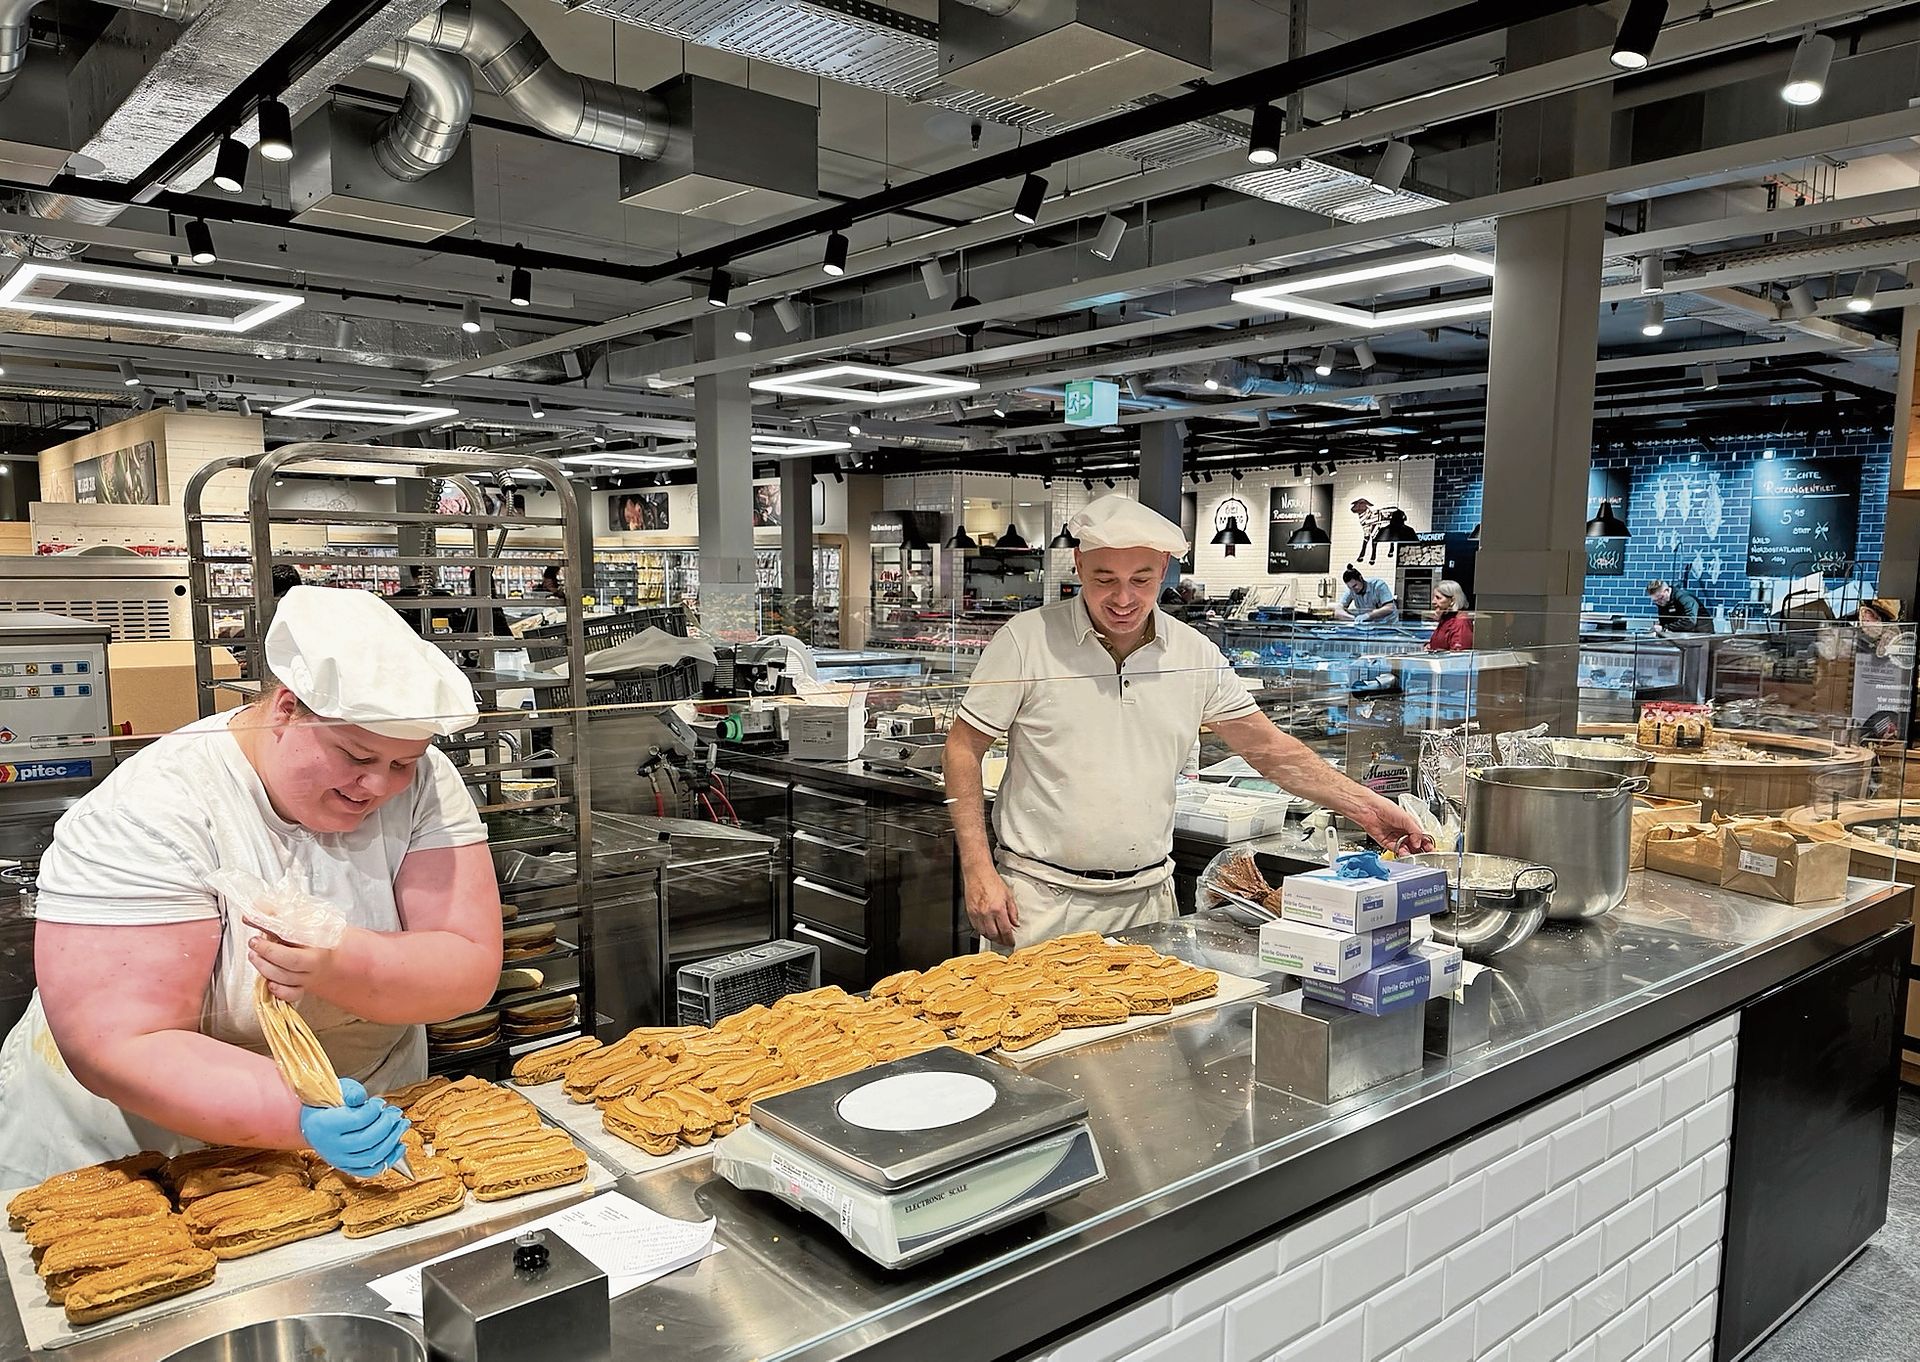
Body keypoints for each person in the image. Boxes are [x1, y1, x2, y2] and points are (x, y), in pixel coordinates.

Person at [0, 586, 500, 1187]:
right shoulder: (151, 810)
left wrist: (339, 962)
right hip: (150, 1151)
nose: (379, 786)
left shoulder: (420, 780)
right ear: (286, 709)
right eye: (354, 755)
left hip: (364, 1124)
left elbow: (467, 961)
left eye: (403, 763)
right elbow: (123, 1041)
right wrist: (297, 1109)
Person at [943, 494, 1434, 950]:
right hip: (1038, 902)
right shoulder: (1025, 641)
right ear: (1078, 565)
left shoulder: (1193, 652)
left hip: (1150, 899)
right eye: (1103, 579)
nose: (1123, 598)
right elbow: (963, 749)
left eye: (1141, 579)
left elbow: (1272, 751)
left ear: (1164, 569)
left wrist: (1368, 810)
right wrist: (977, 868)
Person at [1334, 565, 1399, 624]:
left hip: (1388, 626)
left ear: (1360, 578)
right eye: (1350, 587)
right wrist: (1354, 618)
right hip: (1370, 627)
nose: (1353, 590)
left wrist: (1368, 615)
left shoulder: (1378, 585)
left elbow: (1390, 608)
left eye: (1355, 586)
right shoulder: (1351, 590)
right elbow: (1338, 612)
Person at [1647, 579, 1711, 634]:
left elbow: (1690, 621)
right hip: (1683, 635)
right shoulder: (1662, 602)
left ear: (1667, 590)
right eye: (1655, 601)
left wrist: (1665, 628)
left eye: (1661, 598)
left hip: (1702, 634)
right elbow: (1664, 621)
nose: (1659, 602)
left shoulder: (1684, 598)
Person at [1426, 581, 1473, 652]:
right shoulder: (1446, 618)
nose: (1433, 601)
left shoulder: (1460, 622)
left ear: (1452, 600)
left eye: (1438, 598)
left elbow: (1459, 653)